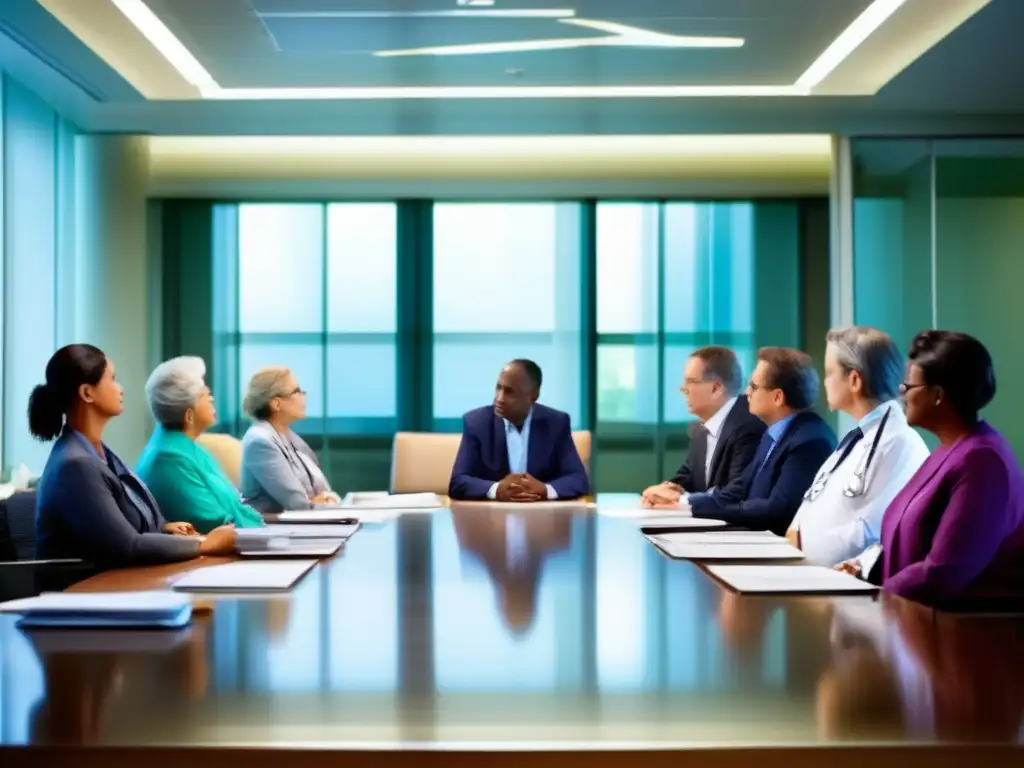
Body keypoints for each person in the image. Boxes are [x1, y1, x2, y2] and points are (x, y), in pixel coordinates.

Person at [837, 331, 1024, 607]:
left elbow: (945, 571)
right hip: (915, 620)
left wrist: (875, 598)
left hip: (963, 636)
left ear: (938, 395)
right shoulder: (949, 451)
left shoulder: (983, 461)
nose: (902, 397)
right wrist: (864, 569)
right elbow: (908, 539)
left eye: (908, 388)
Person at [30, 344, 236, 568]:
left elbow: (121, 520)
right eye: (112, 379)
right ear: (87, 393)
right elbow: (126, 547)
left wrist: (163, 527)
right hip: (85, 591)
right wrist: (203, 544)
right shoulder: (75, 464)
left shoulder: (97, 452)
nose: (120, 389)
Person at [787, 327, 929, 566]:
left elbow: (876, 528)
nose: (825, 382)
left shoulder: (899, 441)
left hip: (850, 583)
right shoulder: (859, 437)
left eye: (830, 372)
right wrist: (795, 535)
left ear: (854, 379)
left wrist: (803, 544)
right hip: (815, 571)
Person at [683, 347, 837, 535]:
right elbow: (740, 488)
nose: (747, 392)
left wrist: (701, 509)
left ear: (777, 397)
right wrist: (686, 503)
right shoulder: (773, 433)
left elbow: (777, 511)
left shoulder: (809, 440)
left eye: (754, 386)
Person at [136, 356, 264, 534]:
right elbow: (214, 522)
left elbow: (234, 507)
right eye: (205, 395)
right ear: (189, 415)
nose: (212, 399)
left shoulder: (188, 448)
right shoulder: (170, 458)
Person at [448, 359, 589, 501]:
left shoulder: (556, 423)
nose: (499, 398)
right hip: (492, 516)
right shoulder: (477, 423)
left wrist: (544, 489)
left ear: (533, 396)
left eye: (509, 392)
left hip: (542, 515)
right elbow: (458, 482)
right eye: (498, 388)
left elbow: (578, 480)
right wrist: (497, 489)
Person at [642, 346, 765, 507]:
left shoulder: (748, 425)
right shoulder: (700, 430)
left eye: (691, 382)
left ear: (716, 388)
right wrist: (661, 492)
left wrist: (680, 500)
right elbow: (685, 478)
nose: (683, 389)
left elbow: (736, 493)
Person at [240, 366, 340, 515]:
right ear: (276, 404)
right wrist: (318, 502)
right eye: (296, 391)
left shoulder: (288, 435)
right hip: (277, 530)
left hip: (307, 521)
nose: (303, 395)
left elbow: (322, 491)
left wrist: (325, 500)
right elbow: (298, 505)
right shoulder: (260, 443)